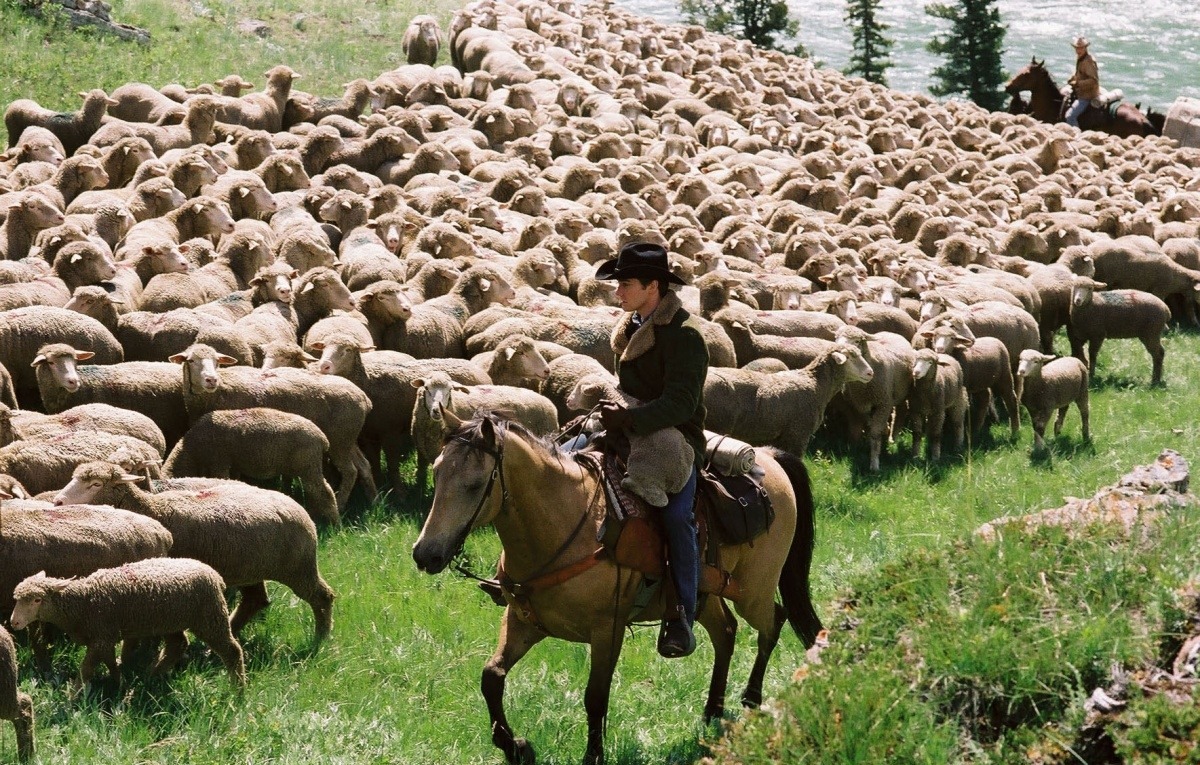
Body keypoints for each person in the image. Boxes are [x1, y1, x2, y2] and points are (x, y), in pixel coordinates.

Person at [595, 241, 708, 659]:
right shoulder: (626, 328)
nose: (617, 292)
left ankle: (680, 614)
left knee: (677, 516)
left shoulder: (686, 337)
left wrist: (631, 420)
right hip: (629, 428)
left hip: (674, 439)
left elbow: (682, 404)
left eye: (625, 284)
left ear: (653, 286)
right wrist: (613, 409)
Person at [1066, 36, 1100, 127]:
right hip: (1081, 91)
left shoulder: (1089, 61)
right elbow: (1080, 74)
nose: (1078, 50)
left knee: (1070, 116)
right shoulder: (1081, 58)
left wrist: (1077, 83)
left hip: (1087, 95)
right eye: (1077, 48)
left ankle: (1077, 137)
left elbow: (1093, 80)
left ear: (1085, 48)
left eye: (1081, 48)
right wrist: (1073, 78)